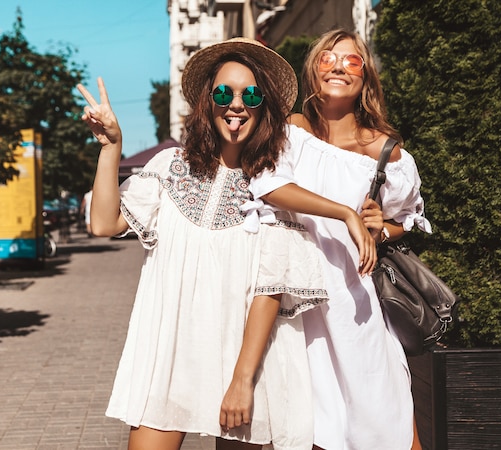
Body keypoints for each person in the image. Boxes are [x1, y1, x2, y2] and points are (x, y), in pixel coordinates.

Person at [79, 37, 376, 450]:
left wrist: (242, 381)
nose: (236, 104)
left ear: (263, 106)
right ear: (209, 102)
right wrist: (111, 148)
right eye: (224, 92)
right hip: (170, 359)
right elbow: (103, 223)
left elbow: (270, 288)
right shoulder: (170, 167)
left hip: (245, 368)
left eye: (249, 94)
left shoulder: (273, 185)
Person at [248, 29, 431, 449]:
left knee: (384, 421)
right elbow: (268, 185)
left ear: (365, 77)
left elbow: (405, 220)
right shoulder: (292, 130)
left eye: (352, 61)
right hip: (294, 302)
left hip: (355, 307)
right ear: (312, 72)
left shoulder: (387, 151)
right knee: (311, 426)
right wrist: (345, 212)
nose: (338, 67)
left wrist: (379, 227)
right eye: (327, 58)